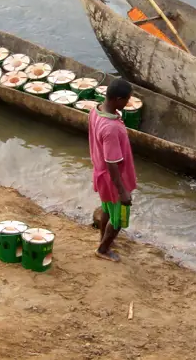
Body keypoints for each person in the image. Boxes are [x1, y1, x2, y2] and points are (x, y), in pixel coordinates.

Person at [88, 78, 137, 262]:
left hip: (101, 175)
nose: (128, 102)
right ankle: (103, 249)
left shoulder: (96, 111)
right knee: (119, 219)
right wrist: (122, 190)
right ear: (117, 99)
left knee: (107, 208)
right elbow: (112, 162)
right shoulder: (111, 128)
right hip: (114, 179)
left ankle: (103, 239)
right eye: (127, 99)